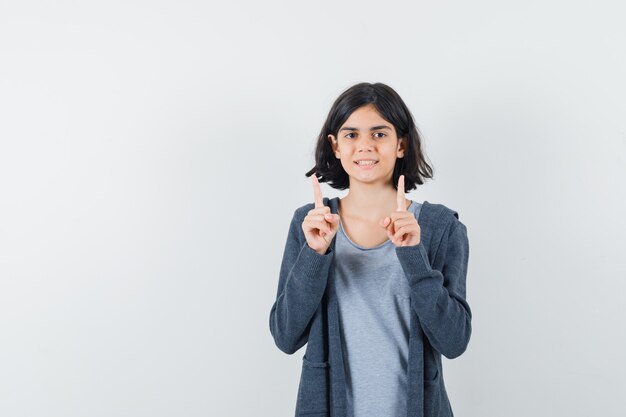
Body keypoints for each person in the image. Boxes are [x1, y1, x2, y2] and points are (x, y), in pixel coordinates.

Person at [269, 82, 472, 417]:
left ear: (401, 144)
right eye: (351, 135)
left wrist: (414, 257)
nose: (365, 146)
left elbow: (454, 341)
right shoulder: (310, 224)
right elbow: (286, 336)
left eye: (379, 134)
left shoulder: (440, 227)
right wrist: (314, 254)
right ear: (334, 145)